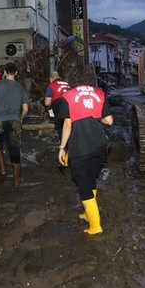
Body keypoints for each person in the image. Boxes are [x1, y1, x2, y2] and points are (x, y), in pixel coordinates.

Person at [57, 83, 113, 235]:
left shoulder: (68, 96)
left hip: (80, 148)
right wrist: (93, 117)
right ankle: (89, 214)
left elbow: (67, 124)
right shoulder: (100, 94)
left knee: (84, 186)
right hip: (100, 147)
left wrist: (62, 147)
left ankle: (95, 226)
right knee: (90, 179)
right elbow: (109, 121)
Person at [44, 71, 70, 141]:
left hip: (59, 111)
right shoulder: (67, 84)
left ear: (51, 79)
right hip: (70, 110)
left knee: (48, 107)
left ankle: (53, 120)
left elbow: (47, 103)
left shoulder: (51, 86)